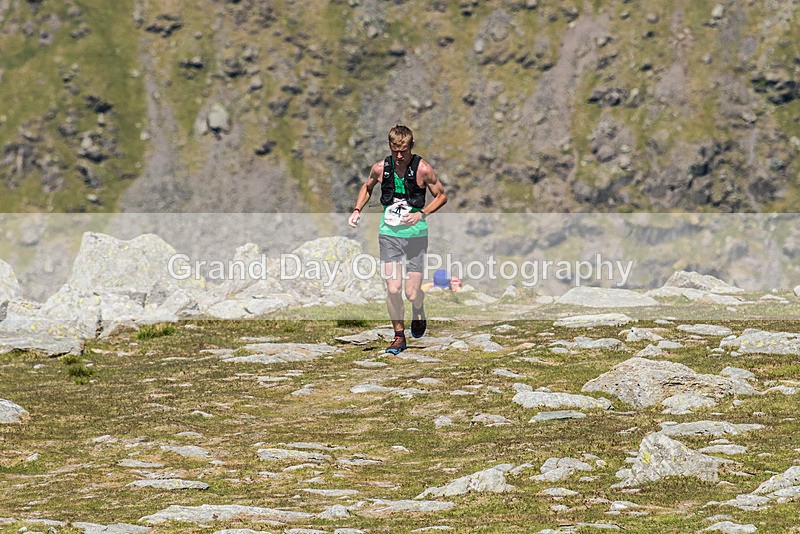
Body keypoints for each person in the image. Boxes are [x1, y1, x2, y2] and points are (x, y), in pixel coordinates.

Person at [348, 125, 447, 354]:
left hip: (416, 237)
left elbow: (442, 196)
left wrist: (421, 214)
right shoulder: (381, 168)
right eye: (395, 151)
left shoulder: (423, 169)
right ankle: (399, 336)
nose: (400, 156)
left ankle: (419, 308)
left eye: (403, 150)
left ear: (412, 145)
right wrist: (357, 210)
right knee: (393, 288)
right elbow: (367, 187)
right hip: (389, 235)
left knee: (411, 293)